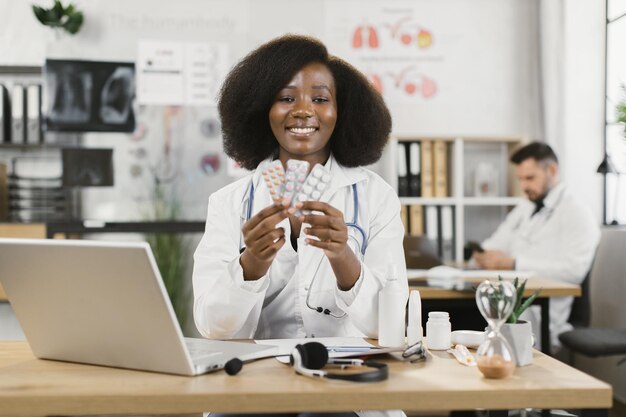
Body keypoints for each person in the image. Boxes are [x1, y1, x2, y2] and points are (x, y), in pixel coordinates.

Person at [192, 35, 407, 417]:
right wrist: (251, 265)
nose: (304, 111)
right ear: (262, 109)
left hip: (347, 384)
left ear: (342, 112)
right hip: (255, 384)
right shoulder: (229, 203)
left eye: (321, 99)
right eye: (287, 98)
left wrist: (344, 260)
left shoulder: (376, 198)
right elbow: (214, 327)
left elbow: (390, 325)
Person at [473, 142, 600, 350]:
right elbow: (496, 242)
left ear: (552, 170)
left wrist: (514, 263)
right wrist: (484, 254)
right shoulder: (525, 207)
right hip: (509, 298)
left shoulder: (577, 212)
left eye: (530, 178)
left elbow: (573, 271)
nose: (524, 186)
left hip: (543, 310)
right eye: (521, 179)